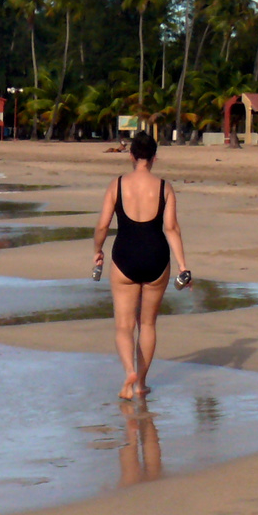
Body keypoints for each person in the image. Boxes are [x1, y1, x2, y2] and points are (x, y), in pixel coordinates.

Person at [92, 131, 190, 400]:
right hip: (157, 258)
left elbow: (102, 225)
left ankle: (128, 373)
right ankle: (142, 383)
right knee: (147, 324)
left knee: (124, 326)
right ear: (154, 157)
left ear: (132, 155)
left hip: (124, 257)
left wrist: (97, 250)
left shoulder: (117, 184)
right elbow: (171, 228)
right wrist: (183, 266)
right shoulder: (164, 187)